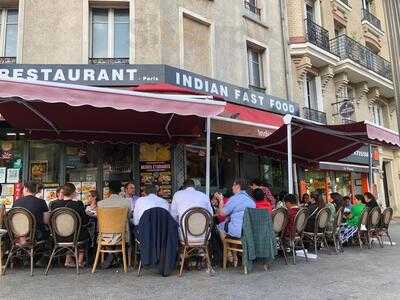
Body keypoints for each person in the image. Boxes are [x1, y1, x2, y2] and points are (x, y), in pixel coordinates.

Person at [50, 183, 89, 267]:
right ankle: (80, 261)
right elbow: (85, 221)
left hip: (58, 236)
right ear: (74, 192)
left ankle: (68, 260)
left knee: (70, 232)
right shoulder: (77, 204)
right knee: (84, 233)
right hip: (75, 236)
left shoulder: (54, 205)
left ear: (62, 192)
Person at [98, 180, 131, 268]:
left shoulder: (100, 204)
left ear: (109, 190)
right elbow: (129, 216)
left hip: (105, 235)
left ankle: (111, 256)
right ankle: (115, 256)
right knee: (125, 225)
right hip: (121, 235)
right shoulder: (126, 202)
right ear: (120, 190)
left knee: (106, 231)